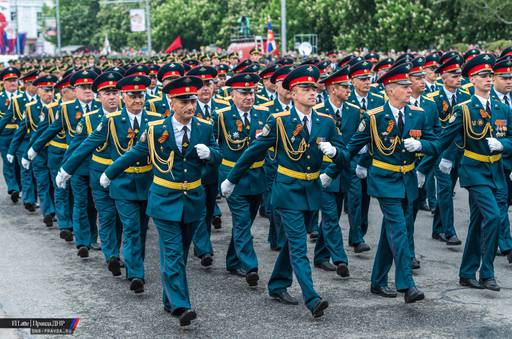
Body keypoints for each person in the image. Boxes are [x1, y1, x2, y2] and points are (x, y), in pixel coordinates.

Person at [222, 65, 345, 318]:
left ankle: (277, 283)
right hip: (287, 191)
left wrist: (332, 165)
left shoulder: (325, 122)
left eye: (314, 87)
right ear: (292, 93)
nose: (312, 92)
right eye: (305, 88)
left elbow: (345, 156)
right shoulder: (278, 121)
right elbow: (253, 151)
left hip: (312, 190)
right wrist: (231, 179)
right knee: (300, 246)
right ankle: (312, 298)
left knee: (292, 243)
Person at [101, 75, 221, 326]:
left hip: (192, 199)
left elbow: (218, 153)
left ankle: (169, 299)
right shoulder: (156, 129)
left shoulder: (204, 127)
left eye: (193, 100)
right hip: (165, 199)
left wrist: (211, 154)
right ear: (171, 102)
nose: (190, 106)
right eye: (184, 101)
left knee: (182, 252)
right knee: (173, 251)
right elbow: (136, 153)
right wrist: (109, 173)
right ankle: (181, 304)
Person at [326, 62, 437, 303]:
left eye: (410, 85)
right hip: (384, 181)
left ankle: (377, 281)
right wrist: (332, 168)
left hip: (407, 179)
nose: (410, 90)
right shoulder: (374, 117)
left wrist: (422, 146)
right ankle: (407, 285)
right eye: (404, 86)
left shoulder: (417, 114)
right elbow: (350, 149)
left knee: (391, 232)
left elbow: (436, 143)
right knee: (399, 228)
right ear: (389, 89)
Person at [55, 74, 161, 292]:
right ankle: (135, 272)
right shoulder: (111, 121)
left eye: (140, 95)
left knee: (140, 227)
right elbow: (86, 144)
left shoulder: (155, 119)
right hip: (119, 181)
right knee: (127, 225)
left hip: (147, 181)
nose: (137, 100)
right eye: (132, 96)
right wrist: (66, 169)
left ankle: (133, 264)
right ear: (124, 97)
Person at [57, 71, 125, 276]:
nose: (112, 96)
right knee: (101, 212)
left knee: (121, 217)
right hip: (92, 170)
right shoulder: (90, 119)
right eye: (107, 92)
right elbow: (77, 147)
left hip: (123, 175)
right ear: (100, 96)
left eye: (115, 92)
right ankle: (103, 250)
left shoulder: (127, 116)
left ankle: (112, 249)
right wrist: (65, 169)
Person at [215, 73, 270, 287]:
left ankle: (232, 260)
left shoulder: (263, 114)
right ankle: (250, 266)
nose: (248, 97)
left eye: (251, 92)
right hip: (232, 178)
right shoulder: (222, 116)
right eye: (243, 92)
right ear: (232, 94)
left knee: (246, 220)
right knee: (242, 220)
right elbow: (215, 143)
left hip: (256, 176)